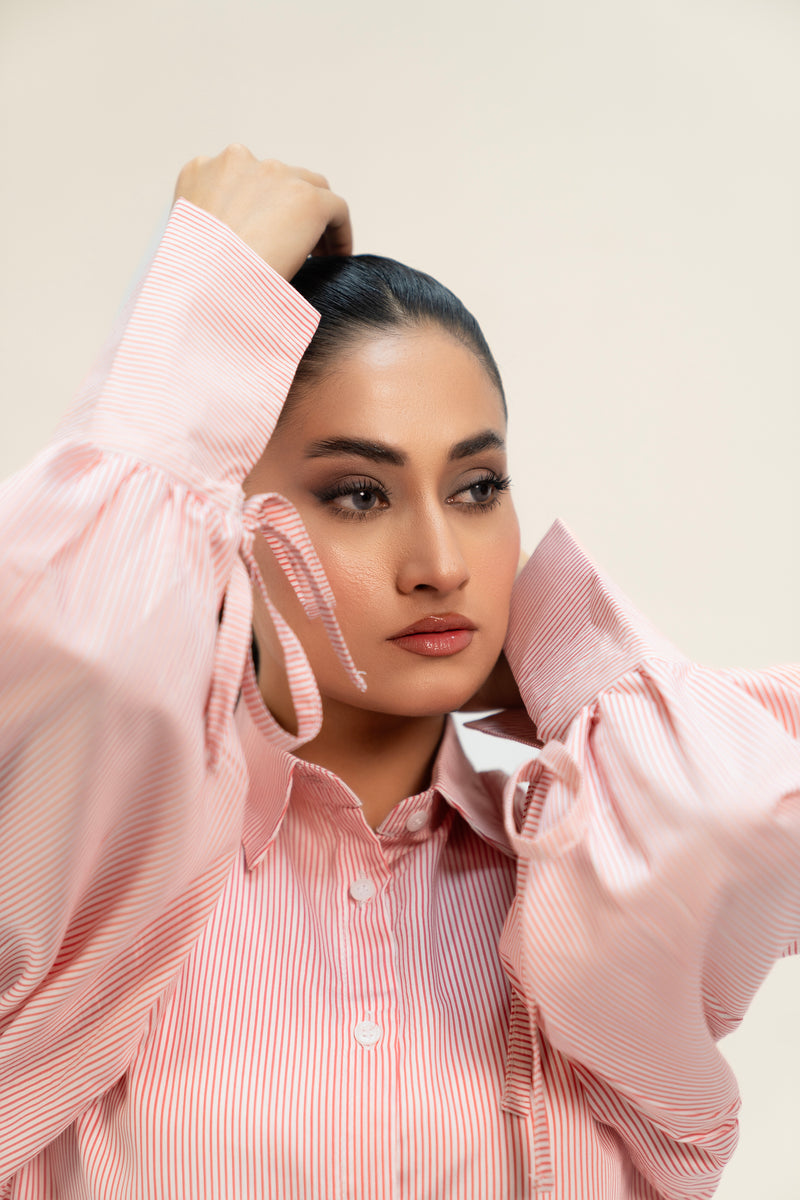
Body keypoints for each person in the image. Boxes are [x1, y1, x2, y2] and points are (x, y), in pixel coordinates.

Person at [0, 146, 798, 1199]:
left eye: (476, 488)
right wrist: (206, 298)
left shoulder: (586, 884)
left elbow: (747, 808)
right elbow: (67, 643)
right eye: (359, 496)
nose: (438, 566)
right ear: (223, 512)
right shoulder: (93, 890)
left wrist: (556, 655)